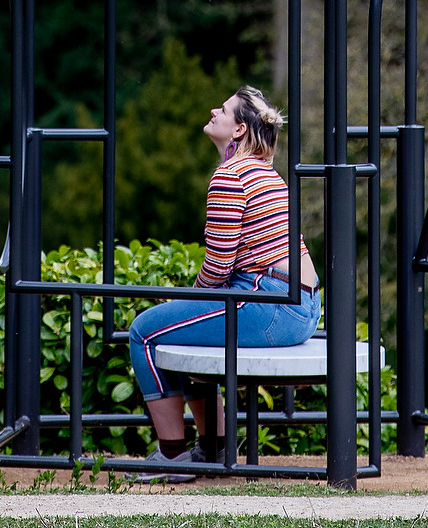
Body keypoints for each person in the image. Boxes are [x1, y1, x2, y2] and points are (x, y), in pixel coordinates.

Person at [127, 83, 320, 476]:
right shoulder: (264, 173)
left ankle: (172, 455)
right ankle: (213, 448)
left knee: (144, 333)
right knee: (186, 326)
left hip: (269, 303)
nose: (215, 110)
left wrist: (191, 299)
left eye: (225, 109)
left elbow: (217, 266)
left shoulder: (231, 176)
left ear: (238, 131)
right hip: (301, 304)